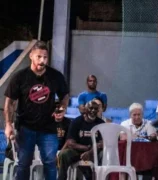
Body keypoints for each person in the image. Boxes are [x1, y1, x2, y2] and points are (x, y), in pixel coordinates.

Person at [3, 41, 69, 180]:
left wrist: (62, 108)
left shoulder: (55, 76)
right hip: (26, 127)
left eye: (45, 57)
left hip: (48, 127)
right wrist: (8, 124)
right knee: (23, 164)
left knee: (50, 163)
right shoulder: (20, 77)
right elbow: (9, 102)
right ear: (31, 56)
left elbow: (65, 95)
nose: (42, 60)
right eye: (39, 56)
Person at [57, 100, 104, 180]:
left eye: (95, 109)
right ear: (85, 109)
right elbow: (70, 142)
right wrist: (86, 148)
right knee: (64, 154)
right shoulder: (76, 122)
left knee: (103, 154)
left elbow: (102, 143)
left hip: (94, 152)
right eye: (91, 108)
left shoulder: (101, 123)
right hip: (78, 151)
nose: (93, 111)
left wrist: (90, 152)